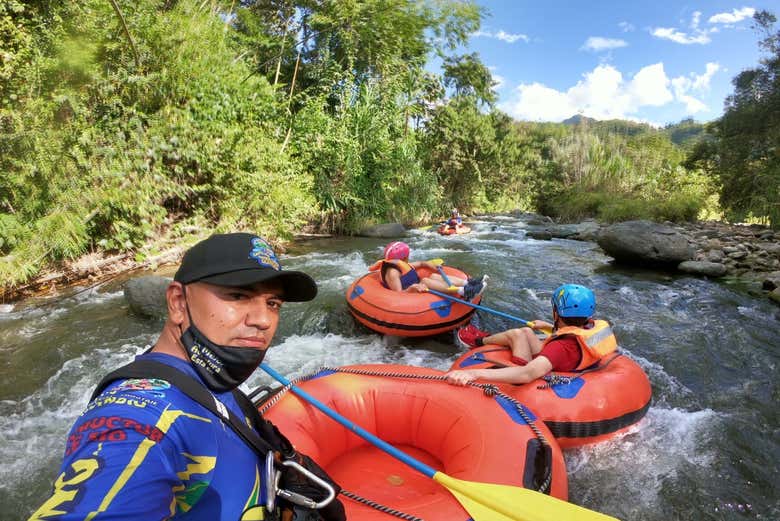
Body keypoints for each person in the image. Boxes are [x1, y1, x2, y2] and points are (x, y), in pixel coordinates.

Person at [29, 233, 346, 521]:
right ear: (178, 303)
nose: (263, 319)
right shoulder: (137, 418)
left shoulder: (212, 380)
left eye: (272, 303)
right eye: (237, 296)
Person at [446, 284, 618, 385]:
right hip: (568, 363)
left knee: (516, 334)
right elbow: (575, 335)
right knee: (527, 331)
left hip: (547, 368)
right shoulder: (592, 327)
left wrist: (474, 374)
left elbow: (527, 374)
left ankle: (478, 340)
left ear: (557, 313)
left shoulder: (561, 347)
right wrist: (550, 327)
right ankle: (481, 339)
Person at [371, 241, 487, 300]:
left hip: (415, 286)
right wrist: (412, 288)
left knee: (434, 277)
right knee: (426, 280)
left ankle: (468, 283)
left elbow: (420, 263)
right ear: (403, 257)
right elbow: (398, 294)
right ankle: (463, 292)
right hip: (409, 294)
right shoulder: (392, 273)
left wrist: (430, 264)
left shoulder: (400, 264)